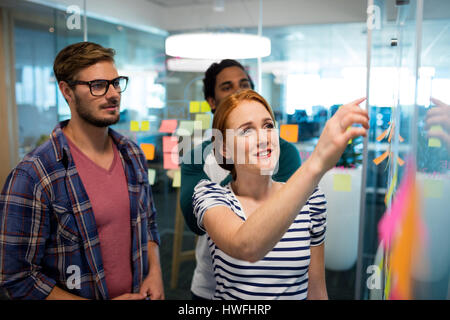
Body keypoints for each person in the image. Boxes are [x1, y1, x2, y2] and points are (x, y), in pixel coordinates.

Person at [0, 42, 164, 300]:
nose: (113, 94)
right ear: (67, 91)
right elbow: (17, 278)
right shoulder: (34, 174)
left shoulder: (131, 154)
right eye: (98, 85)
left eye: (116, 82)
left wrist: (154, 273)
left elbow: (150, 225)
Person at [192, 89, 369, 299]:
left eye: (268, 126)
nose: (264, 138)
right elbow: (246, 246)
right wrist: (316, 162)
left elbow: (317, 289)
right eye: (246, 130)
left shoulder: (311, 199)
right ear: (224, 149)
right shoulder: (210, 196)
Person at [180, 59, 301, 299]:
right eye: (227, 87)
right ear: (212, 102)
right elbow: (195, 222)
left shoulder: (283, 152)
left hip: (276, 285)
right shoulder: (196, 157)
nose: (238, 91)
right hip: (212, 287)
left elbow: (290, 215)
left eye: (244, 84)